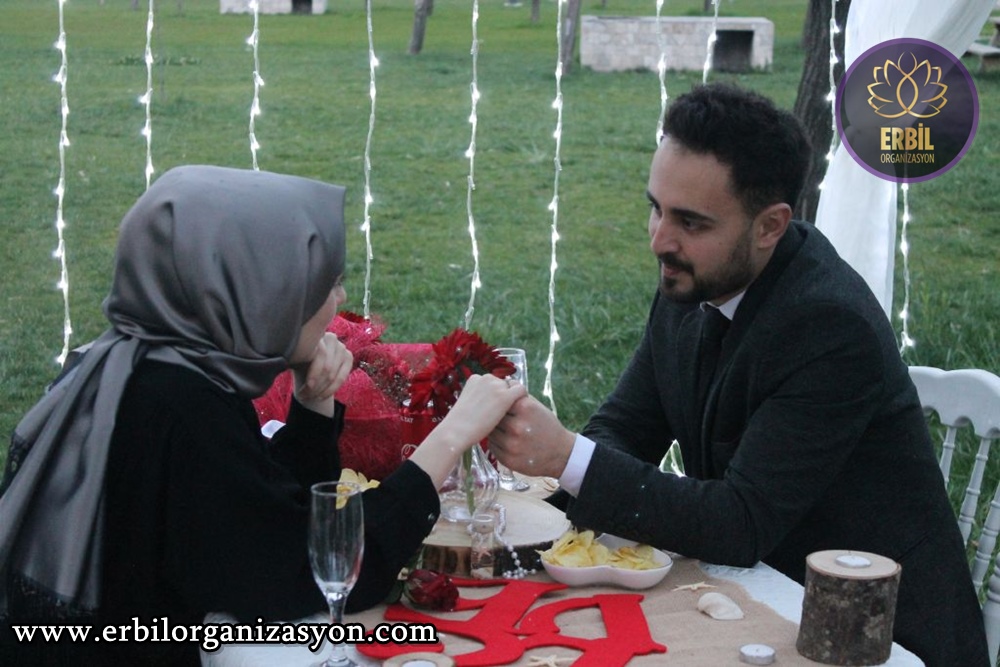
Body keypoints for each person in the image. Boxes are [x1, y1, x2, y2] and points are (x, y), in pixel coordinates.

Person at [489, 83, 988, 667]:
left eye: (691, 222)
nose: (659, 240)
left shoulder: (829, 326)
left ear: (770, 226)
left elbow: (741, 522)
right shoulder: (695, 277)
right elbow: (627, 426)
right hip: (746, 591)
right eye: (656, 208)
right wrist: (558, 490)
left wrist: (566, 457)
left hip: (872, 635)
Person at [0, 165, 525, 665]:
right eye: (325, 284)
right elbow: (303, 575)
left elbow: (255, 517)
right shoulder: (178, 404)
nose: (340, 299)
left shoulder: (135, 361)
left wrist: (312, 403)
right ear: (259, 291)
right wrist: (450, 437)